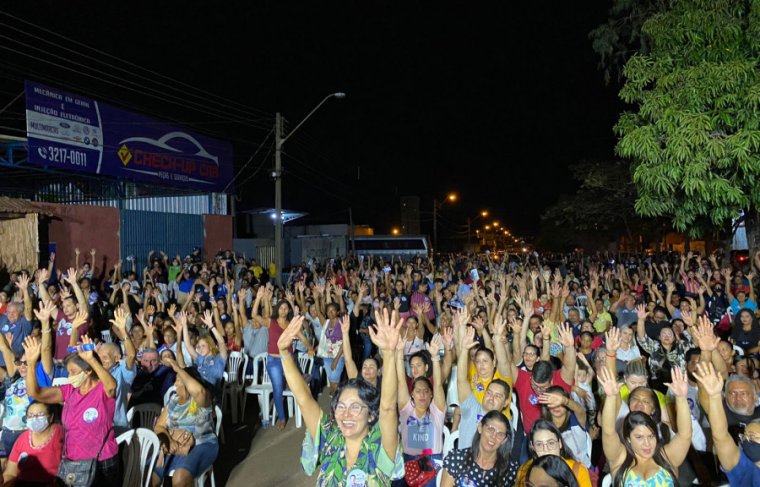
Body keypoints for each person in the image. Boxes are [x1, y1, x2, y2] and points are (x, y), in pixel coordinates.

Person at [288, 309, 405, 485]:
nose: (346, 413)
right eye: (341, 406)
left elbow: (388, 407)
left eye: (355, 407)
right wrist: (283, 352)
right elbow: (304, 400)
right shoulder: (330, 437)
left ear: (372, 414)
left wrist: (389, 354)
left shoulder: (378, 444)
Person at [25, 335, 120, 487]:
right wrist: (30, 365)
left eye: (73, 372)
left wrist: (91, 359)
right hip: (73, 462)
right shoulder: (69, 391)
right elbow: (35, 393)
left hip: (101, 463)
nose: (69, 377)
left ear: (88, 371)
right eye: (68, 372)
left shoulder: (102, 390)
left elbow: (112, 386)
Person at [599, 364, 692, 487]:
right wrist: (611, 397)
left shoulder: (667, 457)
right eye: (639, 437)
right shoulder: (620, 459)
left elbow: (685, 434)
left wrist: (681, 398)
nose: (647, 443)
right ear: (628, 439)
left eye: (651, 436)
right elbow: (608, 431)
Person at [151, 357, 218, 487]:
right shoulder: (174, 400)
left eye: (179, 380)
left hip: (202, 444)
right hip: (174, 445)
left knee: (180, 478)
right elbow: (159, 426)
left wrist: (178, 369)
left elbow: (199, 391)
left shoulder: (202, 400)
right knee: (148, 476)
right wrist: (169, 441)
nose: (175, 384)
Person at [693, 362, 760, 484]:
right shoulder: (721, 412)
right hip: (733, 474)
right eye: (732, 394)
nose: (738, 398)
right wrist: (714, 395)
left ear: (755, 397)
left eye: (743, 393)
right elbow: (720, 436)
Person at [396, 335, 446, 487]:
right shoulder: (406, 409)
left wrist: (435, 357)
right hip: (408, 459)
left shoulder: (437, 409)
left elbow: (437, 385)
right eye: (418, 391)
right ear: (412, 394)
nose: (422, 395)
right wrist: (399, 353)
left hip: (431, 461)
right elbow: (400, 380)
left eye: (426, 391)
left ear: (431, 394)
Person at [440, 411, 517, 487]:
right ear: (480, 427)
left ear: (504, 440)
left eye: (500, 434)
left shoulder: (510, 470)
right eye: (490, 429)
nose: (493, 436)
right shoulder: (456, 459)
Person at [514, 420, 591, 487]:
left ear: (560, 443)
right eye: (539, 445)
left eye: (551, 443)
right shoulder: (524, 470)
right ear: (532, 447)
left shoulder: (577, 470)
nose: (546, 449)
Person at [3, 401, 64, 486]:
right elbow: (10, 473)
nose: (35, 418)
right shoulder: (22, 439)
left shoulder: (60, 435)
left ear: (51, 417)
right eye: (30, 416)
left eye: (40, 414)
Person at [97, 307, 137, 435]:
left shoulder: (122, 373)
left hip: (116, 427)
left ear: (117, 358)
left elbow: (131, 356)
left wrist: (123, 330)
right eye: (99, 357)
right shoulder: (95, 372)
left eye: (105, 357)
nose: (101, 361)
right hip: (95, 426)